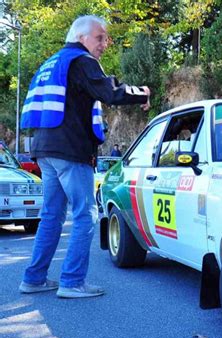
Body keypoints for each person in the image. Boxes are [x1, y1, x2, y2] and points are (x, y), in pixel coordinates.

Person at [19, 15, 151, 298]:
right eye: (100, 37)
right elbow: (110, 92)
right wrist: (142, 94)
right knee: (85, 215)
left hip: (46, 150)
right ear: (82, 38)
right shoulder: (81, 61)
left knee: (51, 216)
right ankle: (72, 282)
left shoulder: (51, 63)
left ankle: (34, 279)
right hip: (70, 151)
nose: (105, 44)